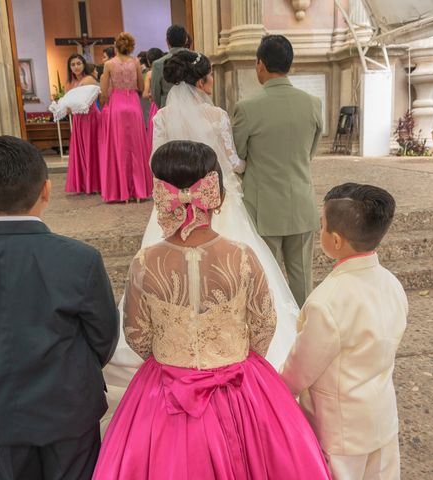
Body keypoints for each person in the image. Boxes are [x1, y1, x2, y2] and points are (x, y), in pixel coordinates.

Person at [93, 140, 331, 479]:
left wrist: (171, 354)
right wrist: (234, 355)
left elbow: (136, 334)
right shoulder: (243, 255)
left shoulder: (145, 263)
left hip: (167, 386)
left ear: (161, 196)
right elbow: (264, 324)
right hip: (239, 383)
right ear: (215, 195)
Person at [100, 50, 300, 429]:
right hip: (218, 209)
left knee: (160, 273)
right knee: (236, 273)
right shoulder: (217, 116)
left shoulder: (160, 117)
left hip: (172, 210)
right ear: (204, 80)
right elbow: (233, 162)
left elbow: (154, 162)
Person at [0, 136, 120, 480]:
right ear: (47, 190)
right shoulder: (80, 260)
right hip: (69, 406)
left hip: (1, 407)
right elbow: (104, 336)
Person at [281, 183, 408, 480]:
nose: (319, 229)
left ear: (335, 240)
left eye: (322, 225)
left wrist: (271, 391)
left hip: (340, 431)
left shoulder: (327, 301)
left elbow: (298, 373)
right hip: (382, 418)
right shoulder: (392, 283)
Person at [233, 34, 323, 307]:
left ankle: (271, 336)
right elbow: (310, 153)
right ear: (289, 64)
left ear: (260, 64)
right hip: (301, 202)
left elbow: (237, 155)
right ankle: (304, 333)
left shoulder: (247, 108)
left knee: (266, 279)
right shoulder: (313, 104)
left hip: (263, 208)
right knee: (302, 279)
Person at [99, 32, 152, 202]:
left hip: (117, 105)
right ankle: (138, 191)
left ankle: (121, 192)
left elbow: (104, 90)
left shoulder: (108, 64)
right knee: (136, 147)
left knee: (119, 147)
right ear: (131, 47)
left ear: (116, 46)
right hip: (133, 105)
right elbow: (140, 85)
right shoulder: (135, 62)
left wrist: (108, 98)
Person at [65, 53, 102, 194]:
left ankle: (94, 183)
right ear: (69, 68)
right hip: (78, 120)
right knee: (81, 150)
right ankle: (83, 183)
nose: (76, 67)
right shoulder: (70, 84)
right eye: (73, 64)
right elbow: (68, 107)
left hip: (91, 118)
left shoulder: (89, 80)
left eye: (78, 63)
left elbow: (94, 99)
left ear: (84, 65)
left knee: (92, 149)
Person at [150, 24, 189, 108]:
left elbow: (155, 93)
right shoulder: (196, 59)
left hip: (168, 107)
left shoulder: (158, 64)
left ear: (167, 41)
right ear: (186, 40)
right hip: (191, 106)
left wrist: (163, 107)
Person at [142, 47, 165, 149]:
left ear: (148, 60)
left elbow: (145, 94)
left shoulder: (150, 74)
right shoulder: (167, 70)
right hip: (166, 103)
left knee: (154, 136)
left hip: (155, 106)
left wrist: (153, 94)